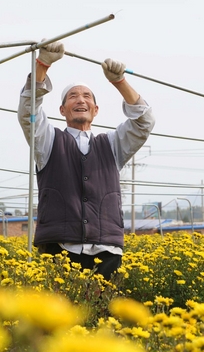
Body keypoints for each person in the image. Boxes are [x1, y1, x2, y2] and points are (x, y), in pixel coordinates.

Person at [17, 39, 155, 281]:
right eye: (72, 96)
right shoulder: (48, 141)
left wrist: (119, 82)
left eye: (86, 96)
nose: (80, 100)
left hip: (107, 251)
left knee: (104, 315)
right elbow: (29, 112)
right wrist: (42, 65)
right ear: (62, 110)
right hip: (59, 250)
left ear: (96, 109)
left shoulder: (112, 144)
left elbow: (144, 123)